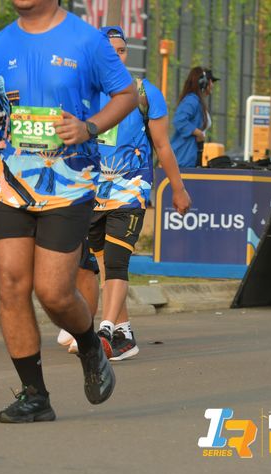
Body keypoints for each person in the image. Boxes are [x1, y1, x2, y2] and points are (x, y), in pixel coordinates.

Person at [0, 0, 138, 423]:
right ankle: (35, 395)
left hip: (69, 182)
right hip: (11, 182)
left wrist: (89, 127)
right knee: (11, 284)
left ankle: (90, 345)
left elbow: (127, 94)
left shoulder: (87, 40)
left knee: (53, 292)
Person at [58, 26, 191, 360]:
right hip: (90, 190)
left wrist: (178, 189)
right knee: (100, 264)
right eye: (109, 50)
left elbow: (163, 145)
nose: (115, 55)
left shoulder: (144, 93)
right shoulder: (83, 92)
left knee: (117, 261)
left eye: (121, 50)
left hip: (131, 186)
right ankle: (124, 334)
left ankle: (103, 331)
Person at [170, 66, 217, 168]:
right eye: (211, 81)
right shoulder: (192, 100)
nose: (212, 85)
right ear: (203, 83)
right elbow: (179, 120)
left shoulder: (197, 101)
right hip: (183, 158)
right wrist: (198, 133)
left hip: (189, 157)